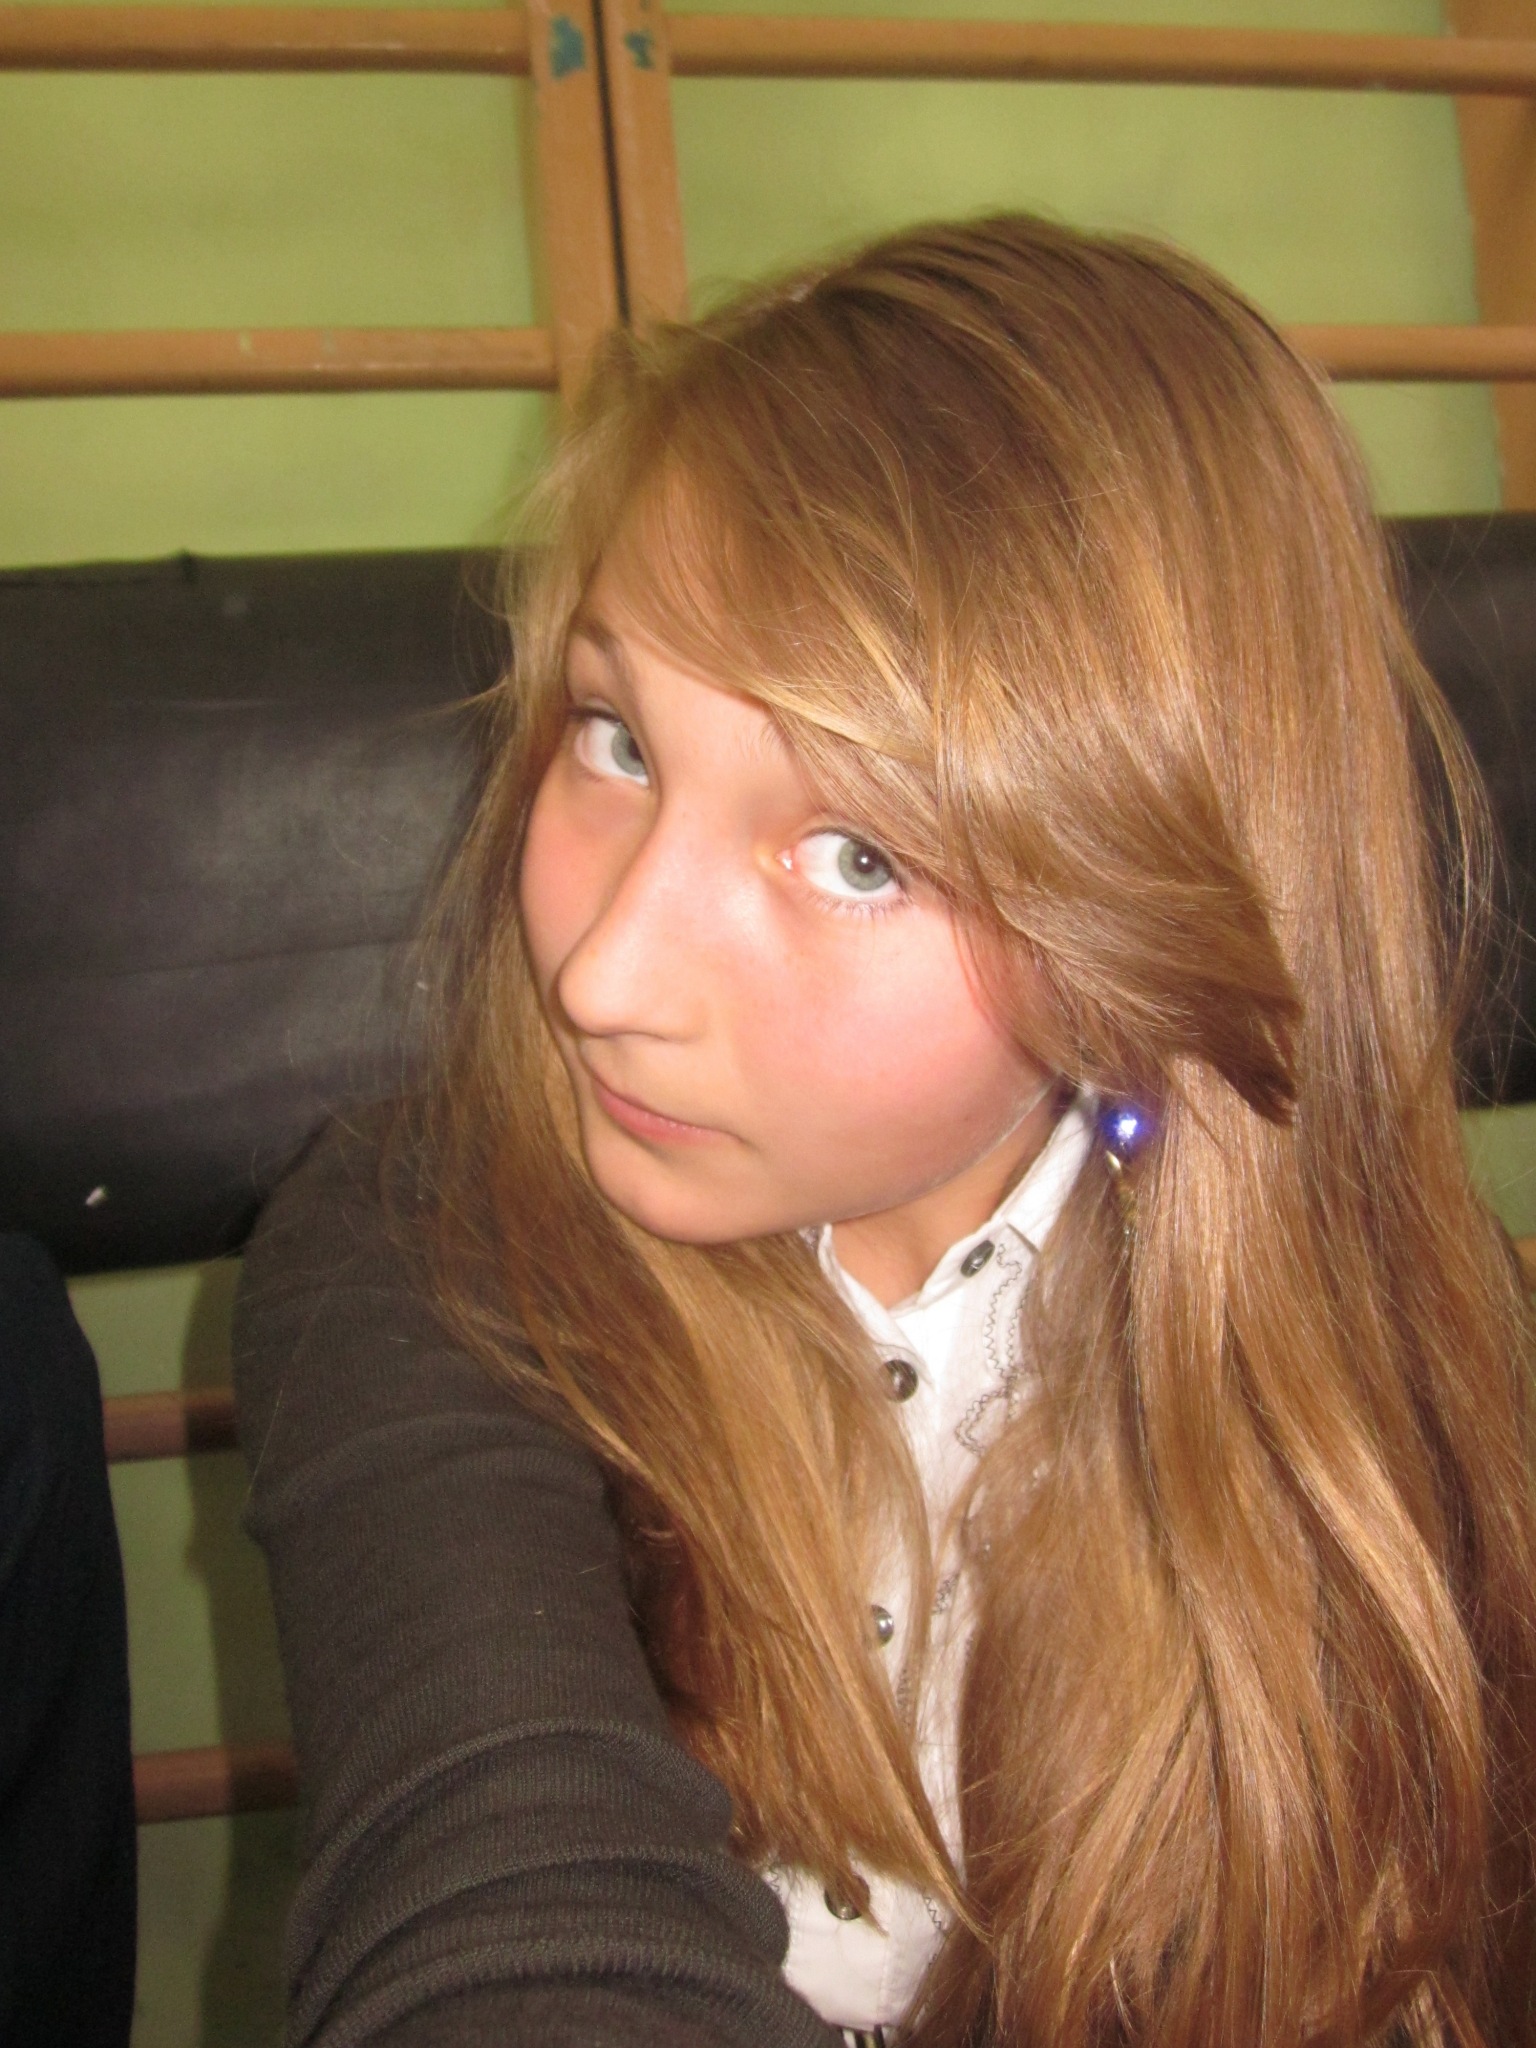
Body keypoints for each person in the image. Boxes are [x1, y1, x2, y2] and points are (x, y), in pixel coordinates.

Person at [235, 214, 1536, 2047]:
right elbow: (503, 1899)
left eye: (857, 854)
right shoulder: (423, 1247)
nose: (605, 973)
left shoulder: (1420, 1397)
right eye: (616, 737)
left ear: (1152, 906)